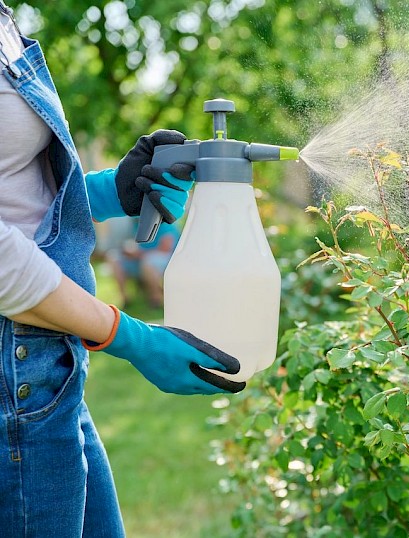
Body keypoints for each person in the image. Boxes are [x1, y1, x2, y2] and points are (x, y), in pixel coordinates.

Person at [0, 2, 245, 535]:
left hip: (50, 377)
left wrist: (112, 191)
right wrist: (130, 338)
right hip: (11, 380)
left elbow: (14, 202)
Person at [106, 220, 180, 309]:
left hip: (165, 259)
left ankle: (156, 298)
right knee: (114, 257)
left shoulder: (165, 223)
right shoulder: (136, 223)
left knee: (148, 261)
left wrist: (139, 254)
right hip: (141, 257)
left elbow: (165, 248)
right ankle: (125, 298)